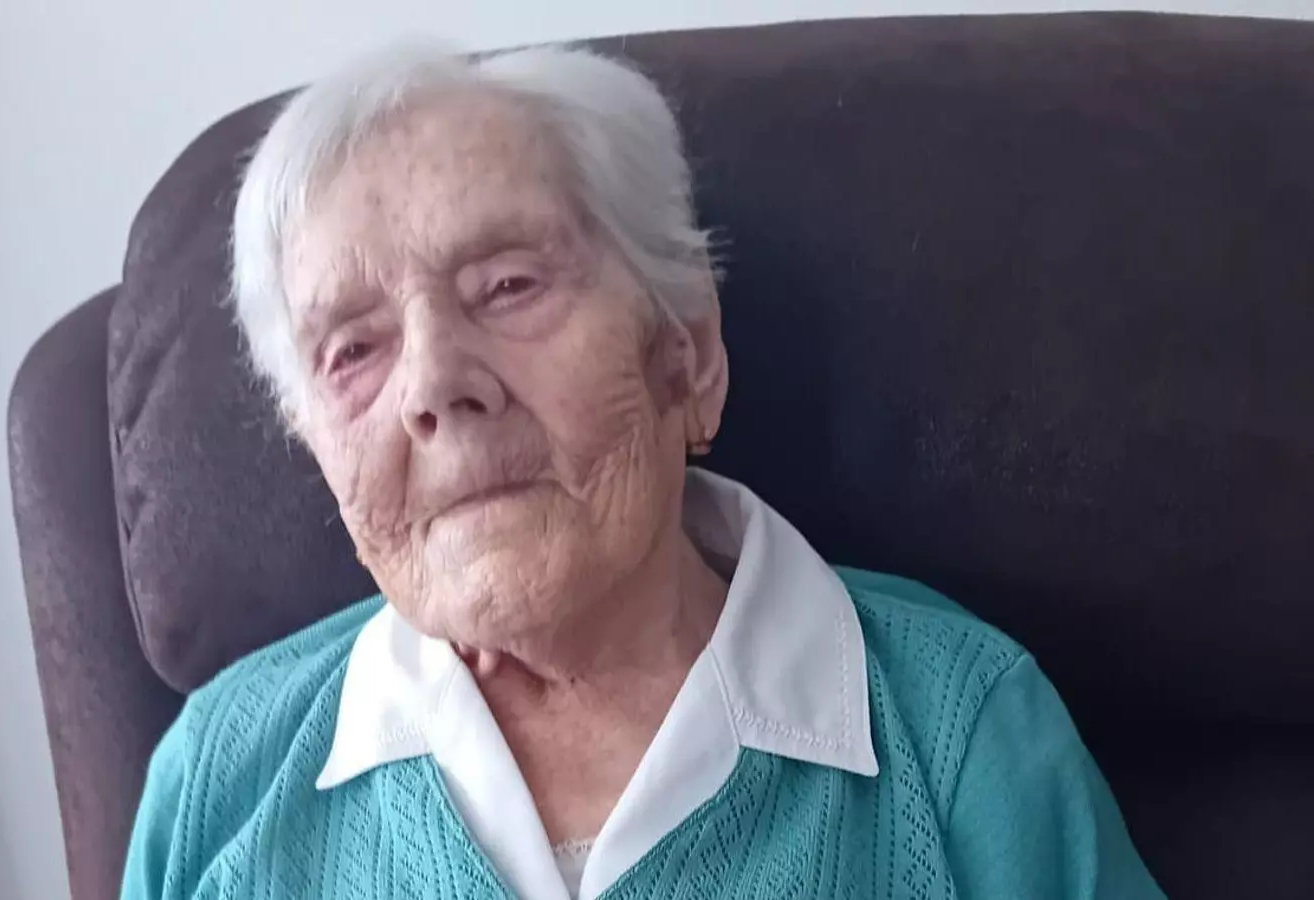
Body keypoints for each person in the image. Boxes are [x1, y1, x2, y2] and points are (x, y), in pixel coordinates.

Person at [121, 41, 1164, 900]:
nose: (432, 383)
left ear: (686, 352)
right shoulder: (220, 775)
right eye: (352, 349)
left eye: (508, 286)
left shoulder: (961, 733)